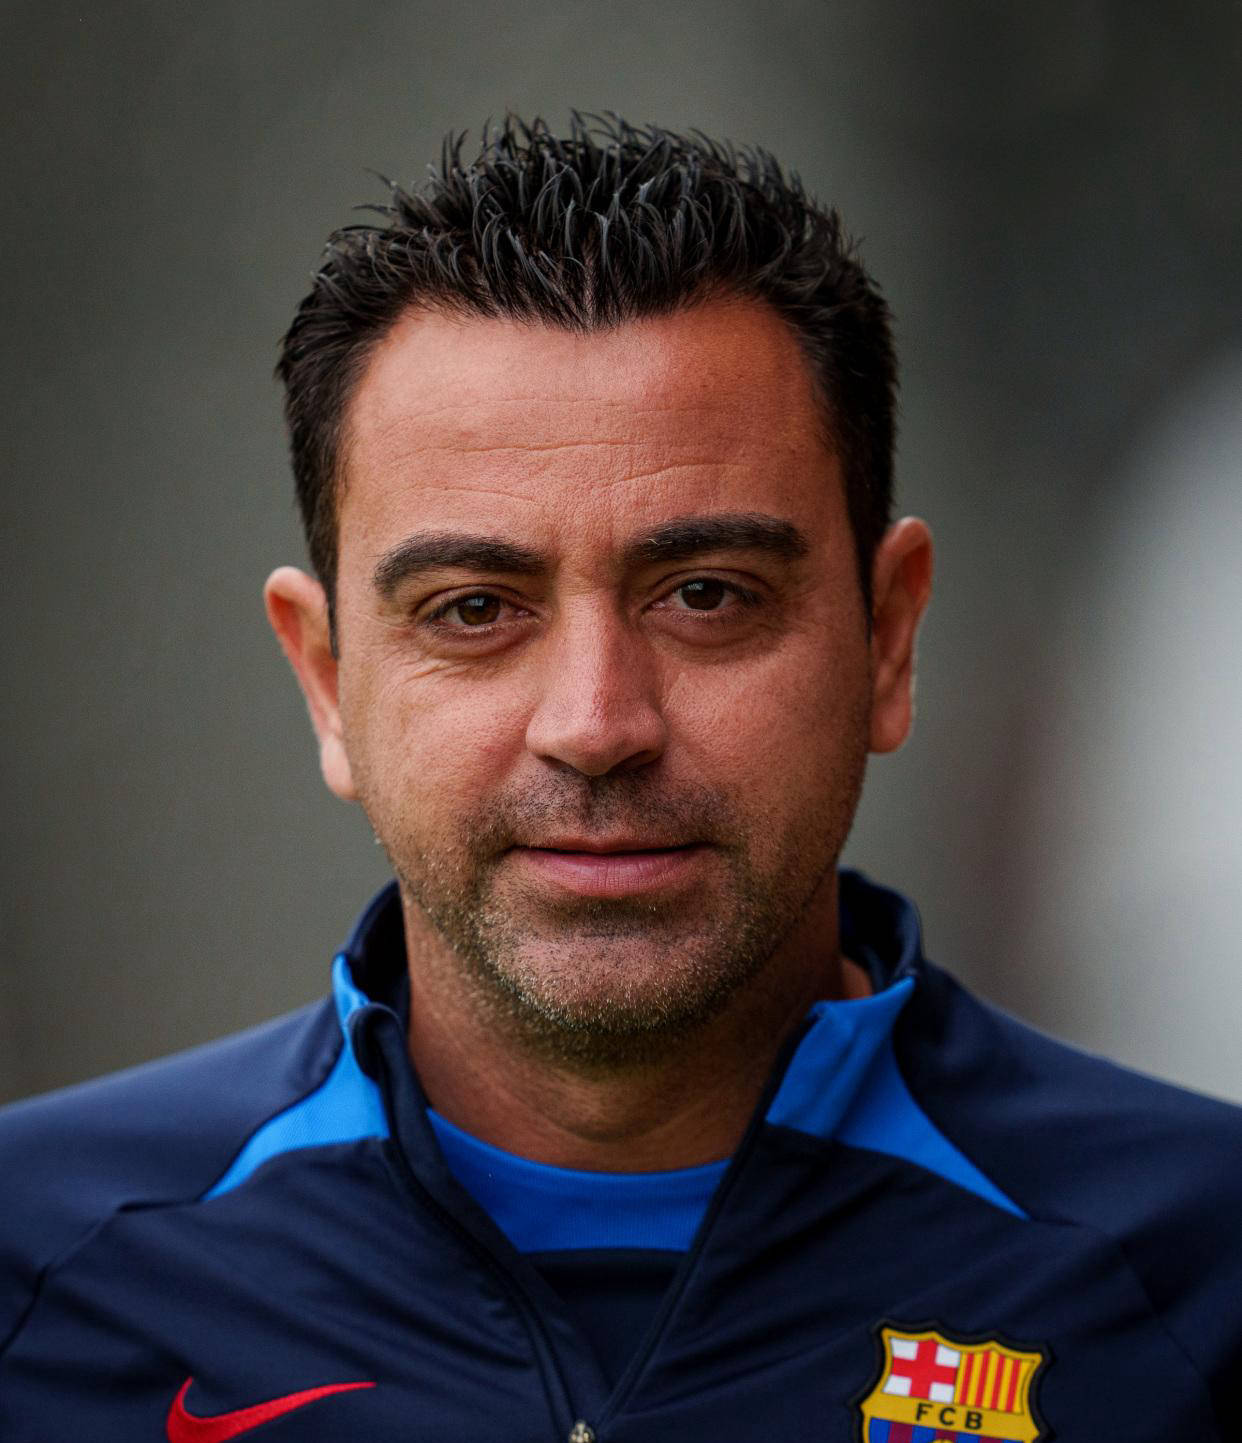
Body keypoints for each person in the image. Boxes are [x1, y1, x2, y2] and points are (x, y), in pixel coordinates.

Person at [1, 115, 1239, 1443]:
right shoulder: (39, 1270)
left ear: (887, 638)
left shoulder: (1205, 1270)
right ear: (325, 677)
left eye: (706, 595)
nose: (595, 724)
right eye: (474, 609)